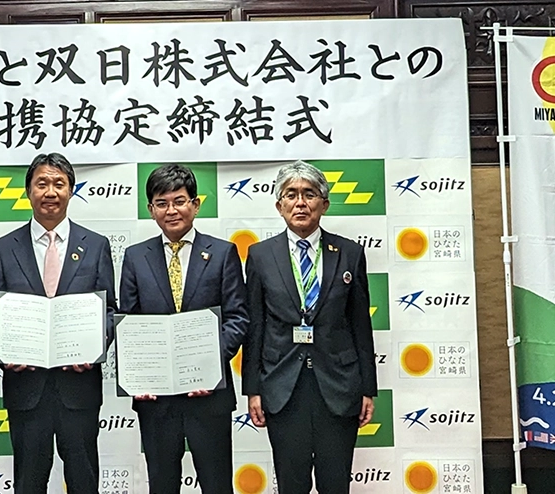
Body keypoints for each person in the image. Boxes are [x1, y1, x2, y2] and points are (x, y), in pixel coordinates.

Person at [0, 152, 116, 494]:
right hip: (27, 388)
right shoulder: (4, 248)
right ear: (28, 191)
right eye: (42, 183)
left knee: (84, 481)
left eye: (59, 184)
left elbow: (109, 312)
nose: (51, 192)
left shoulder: (96, 245)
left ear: (71, 190)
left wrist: (95, 347)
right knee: (28, 482)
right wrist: (5, 350)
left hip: (79, 388)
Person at [241, 160, 377, 494]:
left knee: (335, 484)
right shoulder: (260, 255)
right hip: (282, 387)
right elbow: (255, 326)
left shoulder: (349, 253)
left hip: (339, 386)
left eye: (309, 194)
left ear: (324, 204)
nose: (300, 202)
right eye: (291, 195)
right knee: (292, 484)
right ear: (279, 205)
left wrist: (367, 388)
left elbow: (360, 325)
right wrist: (253, 390)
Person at [119, 164, 248, 494]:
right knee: (162, 486)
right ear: (151, 209)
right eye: (161, 203)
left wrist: (207, 367)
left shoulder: (223, 253)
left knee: (217, 485)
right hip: (156, 400)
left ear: (195, 204)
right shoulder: (135, 257)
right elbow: (129, 325)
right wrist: (139, 378)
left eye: (179, 201)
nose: (171, 210)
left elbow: (238, 318)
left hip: (209, 396)